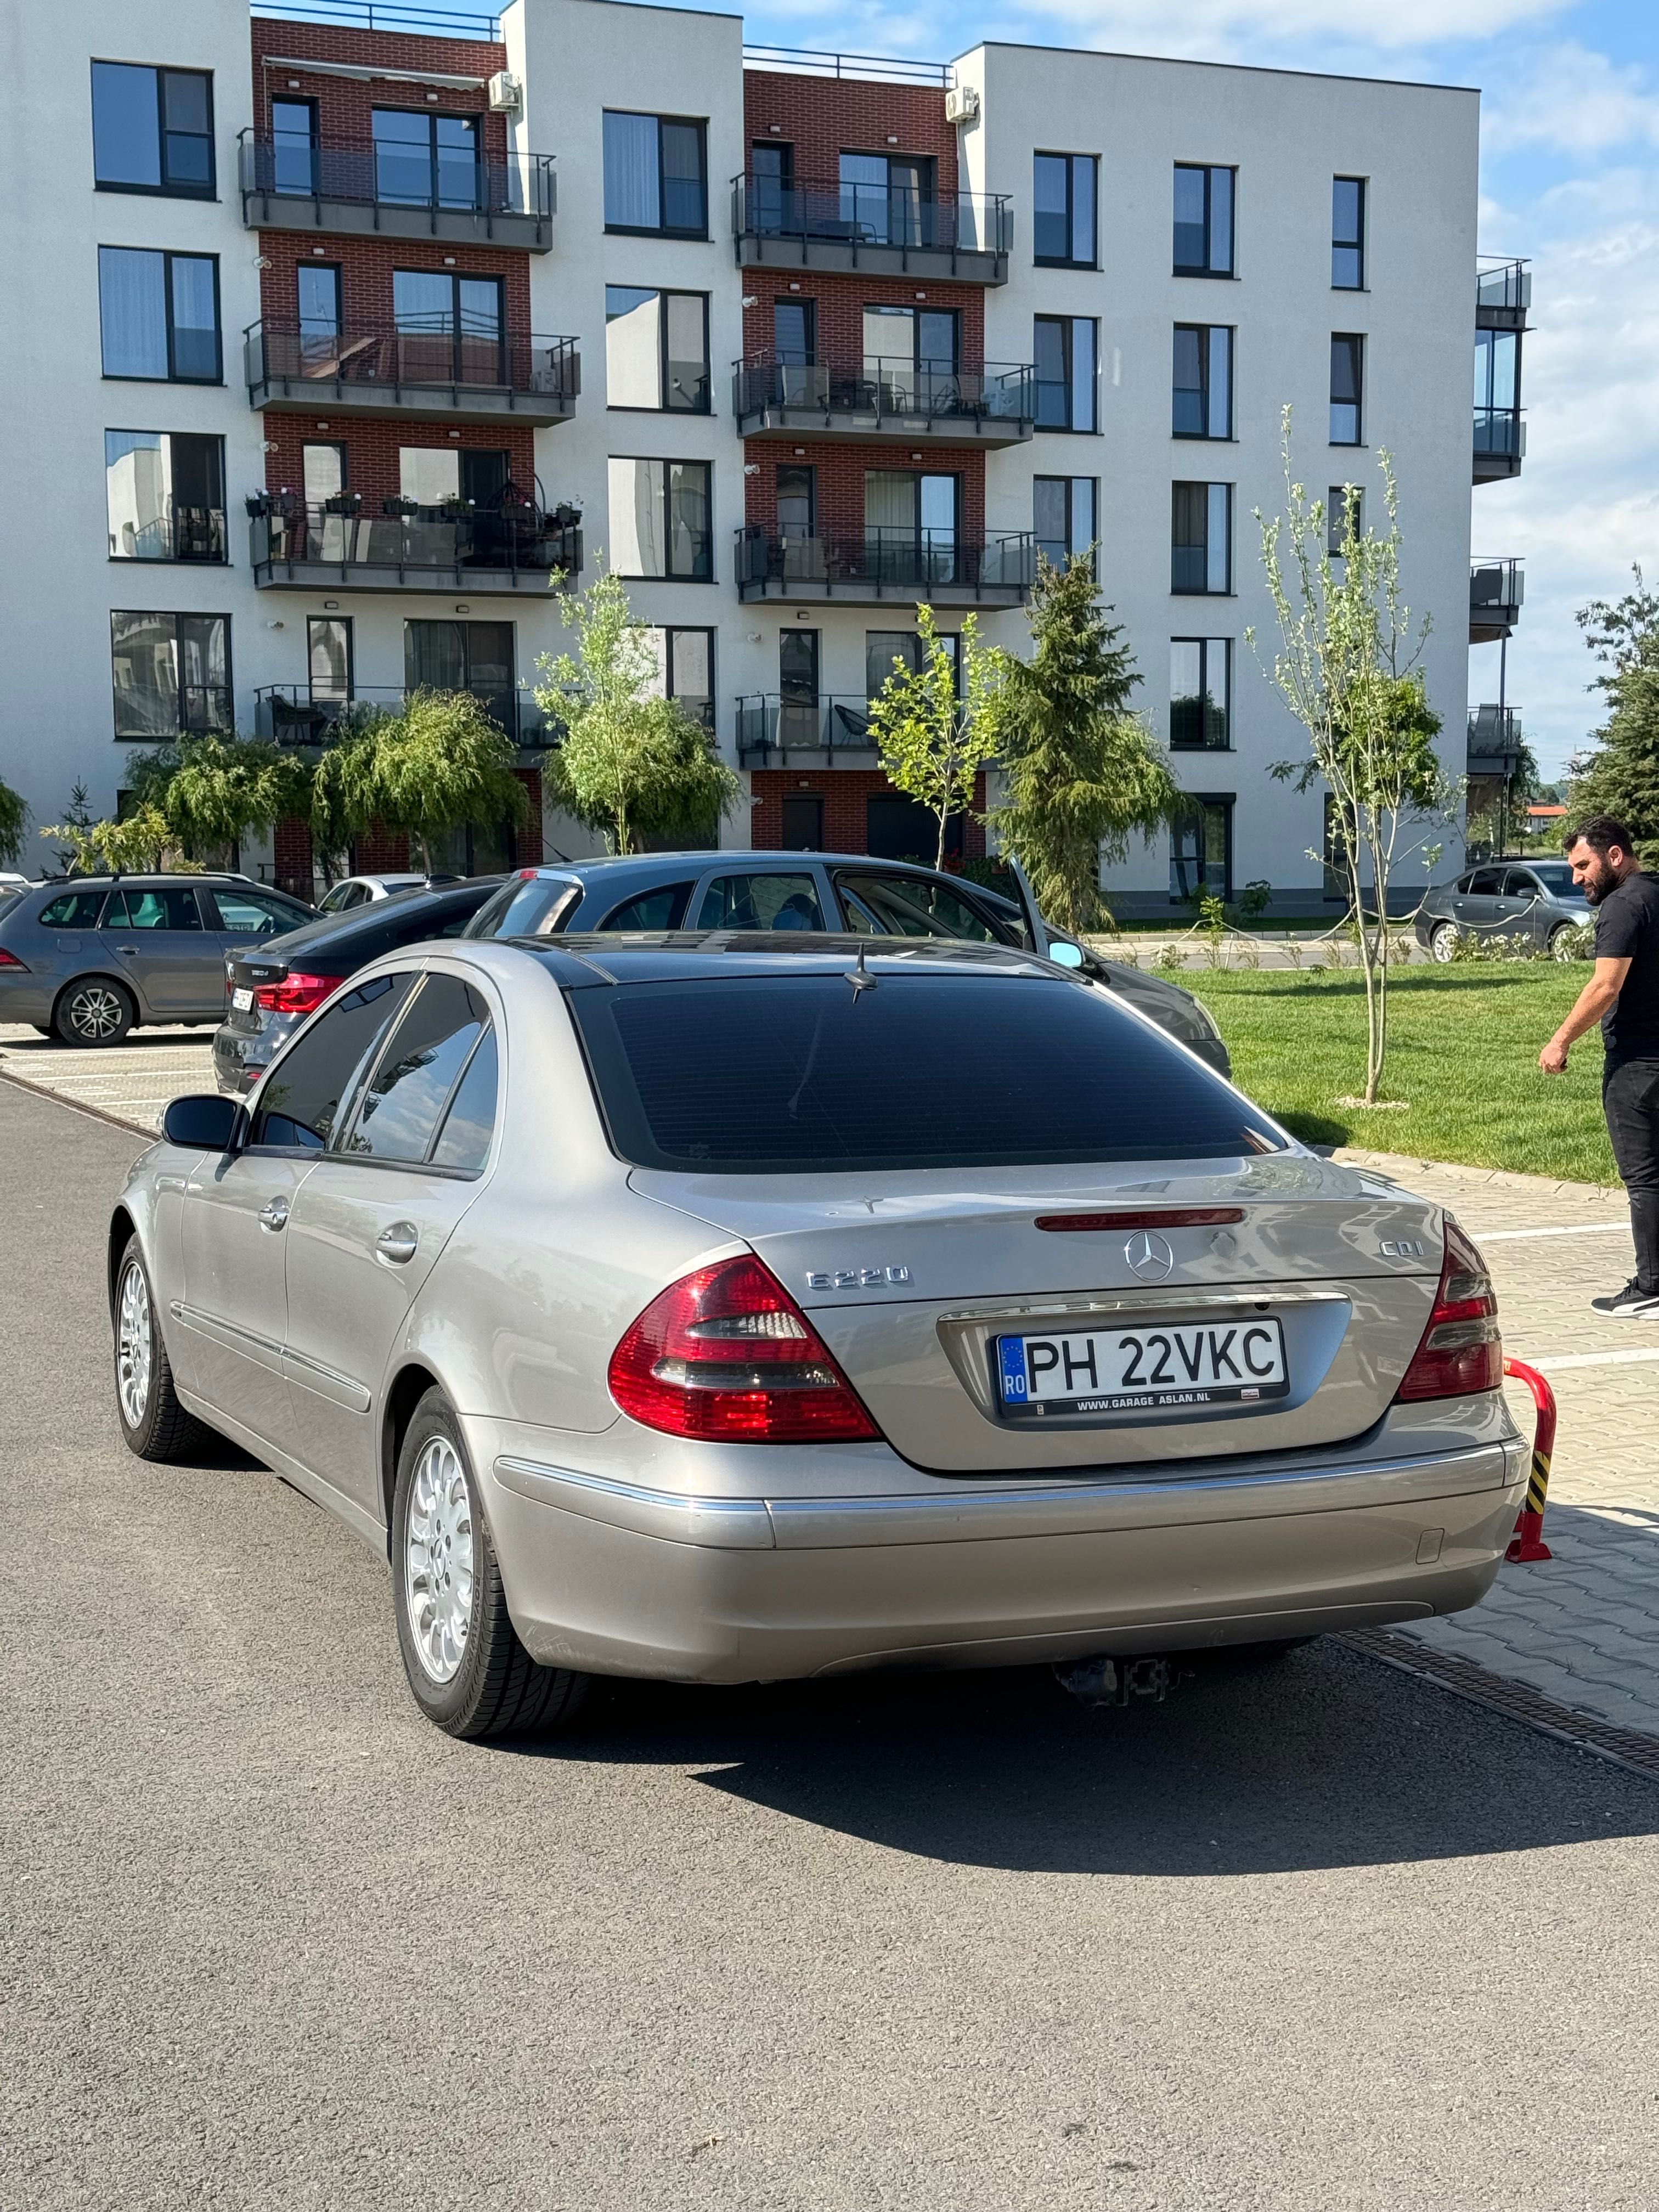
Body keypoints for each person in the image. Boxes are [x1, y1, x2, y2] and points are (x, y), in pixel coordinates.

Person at [1538, 815, 1659, 1314]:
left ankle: (1652, 1286)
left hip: (1638, 1064)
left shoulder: (1623, 906)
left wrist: (1560, 1040)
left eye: (1582, 865)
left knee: (1645, 1176)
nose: (1576, 877)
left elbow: (1606, 986)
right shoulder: (1655, 893)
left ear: (1614, 856)